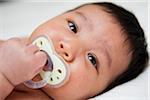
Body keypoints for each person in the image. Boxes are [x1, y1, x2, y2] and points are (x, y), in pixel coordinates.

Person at [0, 2, 148, 100]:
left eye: (92, 59)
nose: (69, 47)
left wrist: (6, 74)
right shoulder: (15, 43)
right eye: (72, 27)